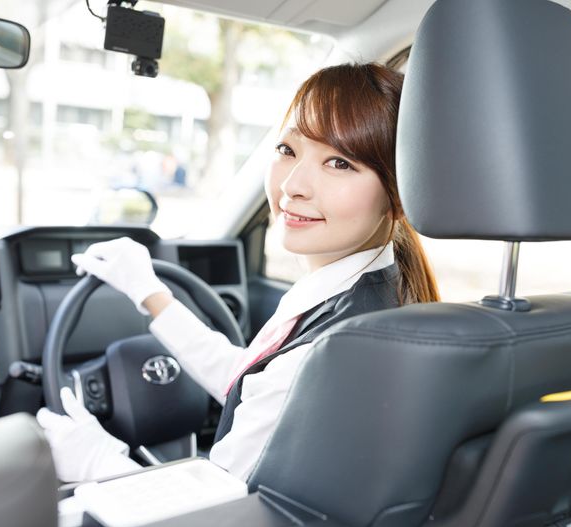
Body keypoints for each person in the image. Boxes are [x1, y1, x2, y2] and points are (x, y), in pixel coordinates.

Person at [36, 62, 439, 483]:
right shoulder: (378, 291)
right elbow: (254, 384)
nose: (293, 185)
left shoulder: (324, 351)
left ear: (399, 194)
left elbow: (214, 509)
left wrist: (97, 462)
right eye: (288, 150)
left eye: (339, 163)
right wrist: (150, 294)